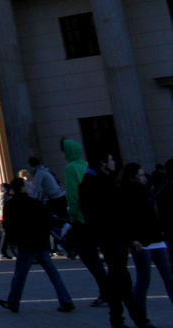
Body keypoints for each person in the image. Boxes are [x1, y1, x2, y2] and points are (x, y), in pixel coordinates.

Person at [82, 153, 151, 328]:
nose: (114, 163)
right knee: (123, 281)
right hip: (110, 238)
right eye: (111, 160)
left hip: (113, 238)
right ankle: (138, 320)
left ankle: (118, 319)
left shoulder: (101, 181)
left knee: (116, 281)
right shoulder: (96, 183)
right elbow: (111, 215)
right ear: (103, 163)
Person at [0, 176, 75, 313]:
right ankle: (66, 301)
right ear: (21, 188)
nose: (29, 187)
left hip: (25, 246)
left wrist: (16, 242)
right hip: (41, 244)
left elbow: (8, 226)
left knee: (20, 276)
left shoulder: (10, 205)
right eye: (26, 185)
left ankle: (13, 302)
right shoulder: (35, 203)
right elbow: (46, 222)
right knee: (54, 275)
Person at [121, 162, 173, 315]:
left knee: (169, 277)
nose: (144, 178)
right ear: (132, 178)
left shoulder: (147, 192)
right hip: (141, 242)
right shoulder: (127, 194)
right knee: (144, 280)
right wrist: (132, 239)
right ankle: (140, 316)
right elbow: (126, 220)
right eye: (141, 176)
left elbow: (154, 214)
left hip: (156, 238)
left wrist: (161, 230)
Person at [65, 138, 111, 306]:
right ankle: (109, 290)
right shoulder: (85, 165)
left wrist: (74, 214)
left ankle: (106, 291)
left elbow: (72, 193)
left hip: (82, 219)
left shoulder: (70, 168)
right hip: (95, 217)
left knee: (89, 256)